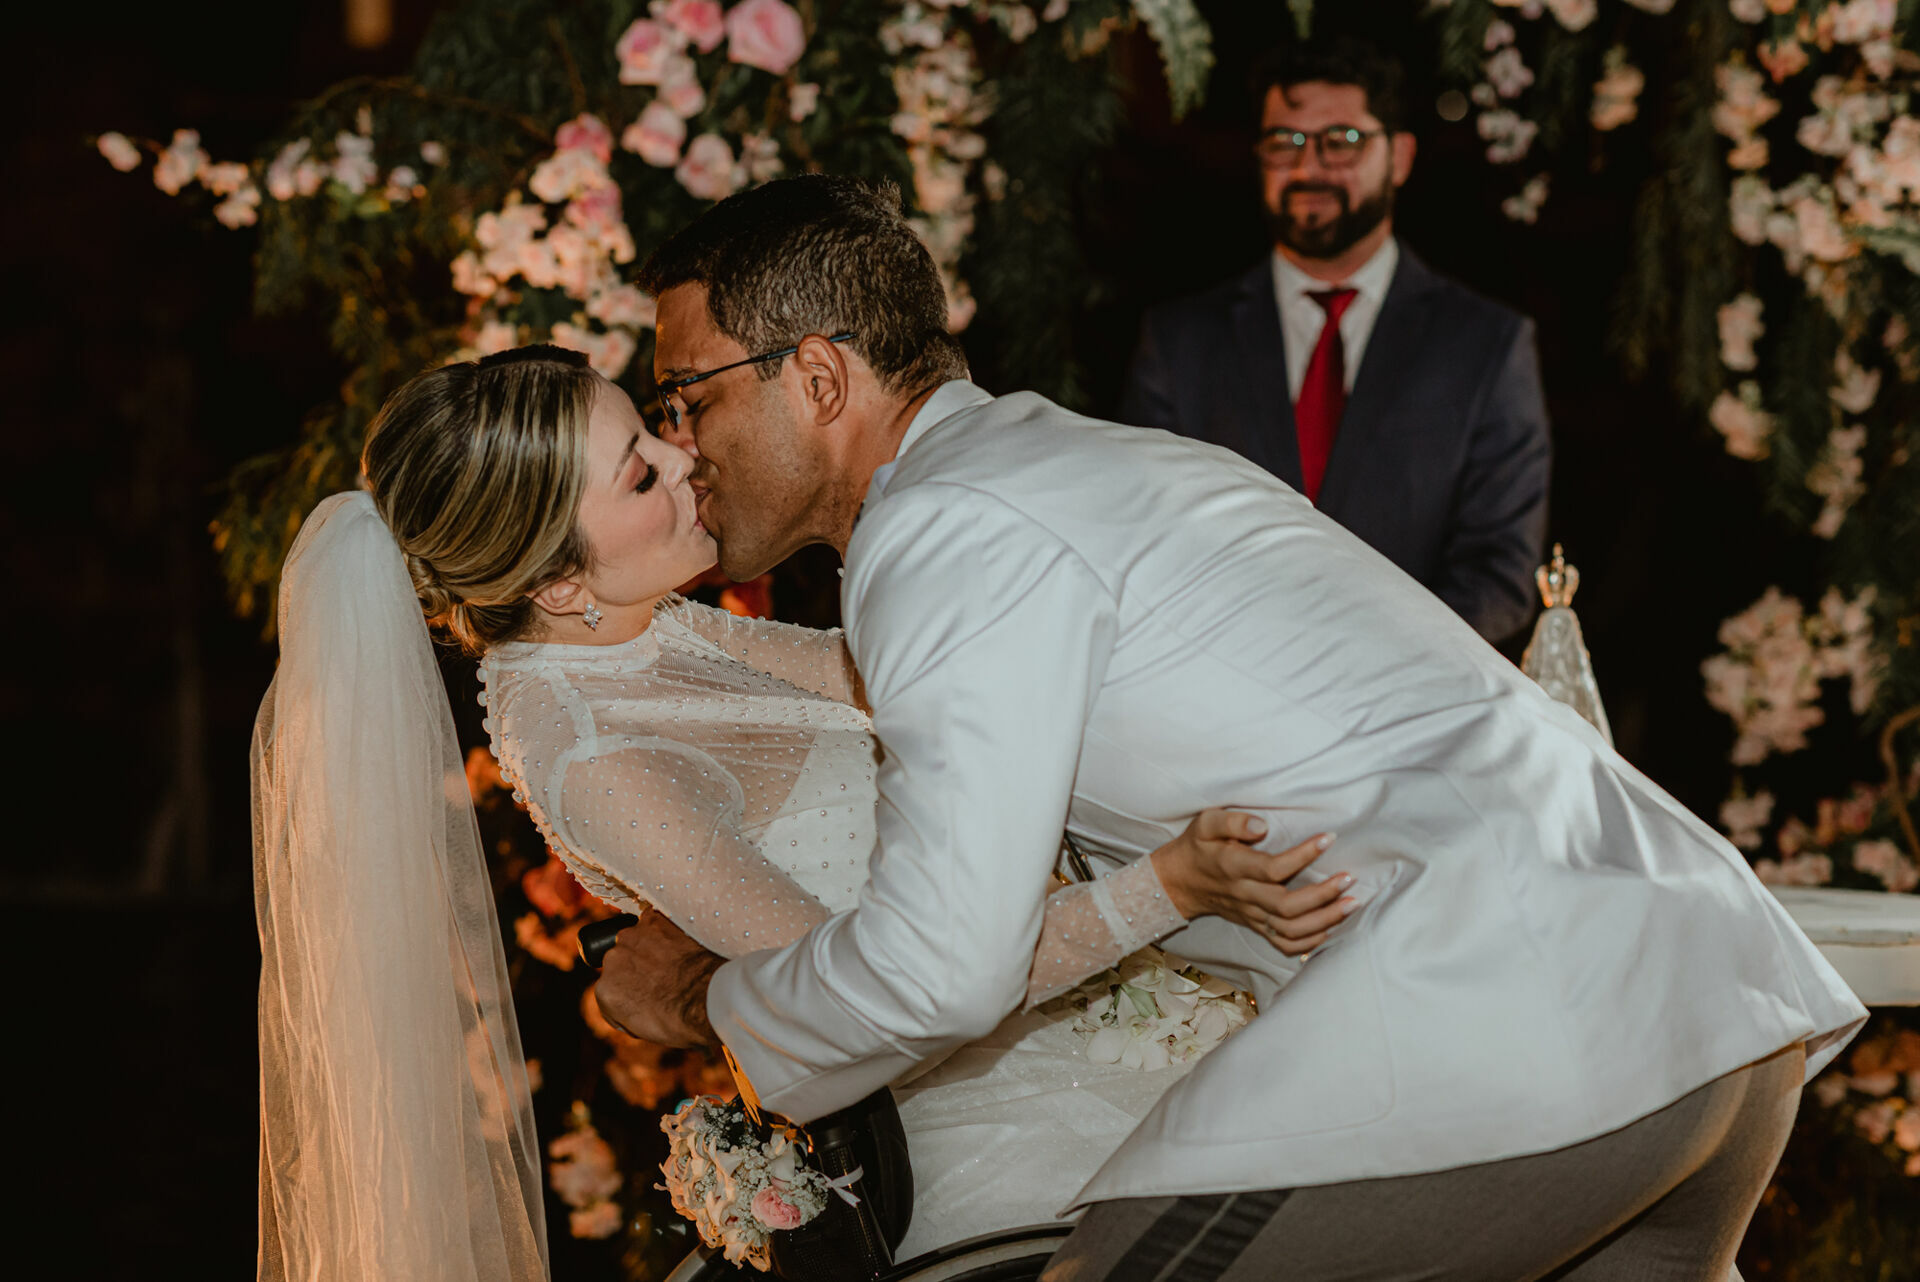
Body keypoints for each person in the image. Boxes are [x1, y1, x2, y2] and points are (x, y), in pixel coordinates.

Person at [597, 173, 1865, 1280]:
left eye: (688, 396)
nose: (678, 439)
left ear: (817, 376)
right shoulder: (1074, 468)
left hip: (1515, 1027)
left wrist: (708, 996)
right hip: (1697, 1000)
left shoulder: (946, 529)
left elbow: (945, 964)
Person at [251, 343, 1353, 1277]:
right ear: (559, 587)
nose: (688, 460)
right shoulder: (600, 759)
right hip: (1017, 1139)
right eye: (641, 474)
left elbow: (899, 676)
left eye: (660, 433)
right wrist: (1167, 886)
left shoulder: (654, 631)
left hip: (1102, 1019)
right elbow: (871, 998)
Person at [1119, 37, 1551, 646]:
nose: (1307, 168)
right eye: (1284, 142)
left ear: (1399, 157)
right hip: (1224, 700)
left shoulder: (1487, 344)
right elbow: (1146, 543)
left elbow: (1501, 572)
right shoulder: (1179, 341)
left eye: (1340, 141)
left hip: (1414, 709)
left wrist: (1367, 671)